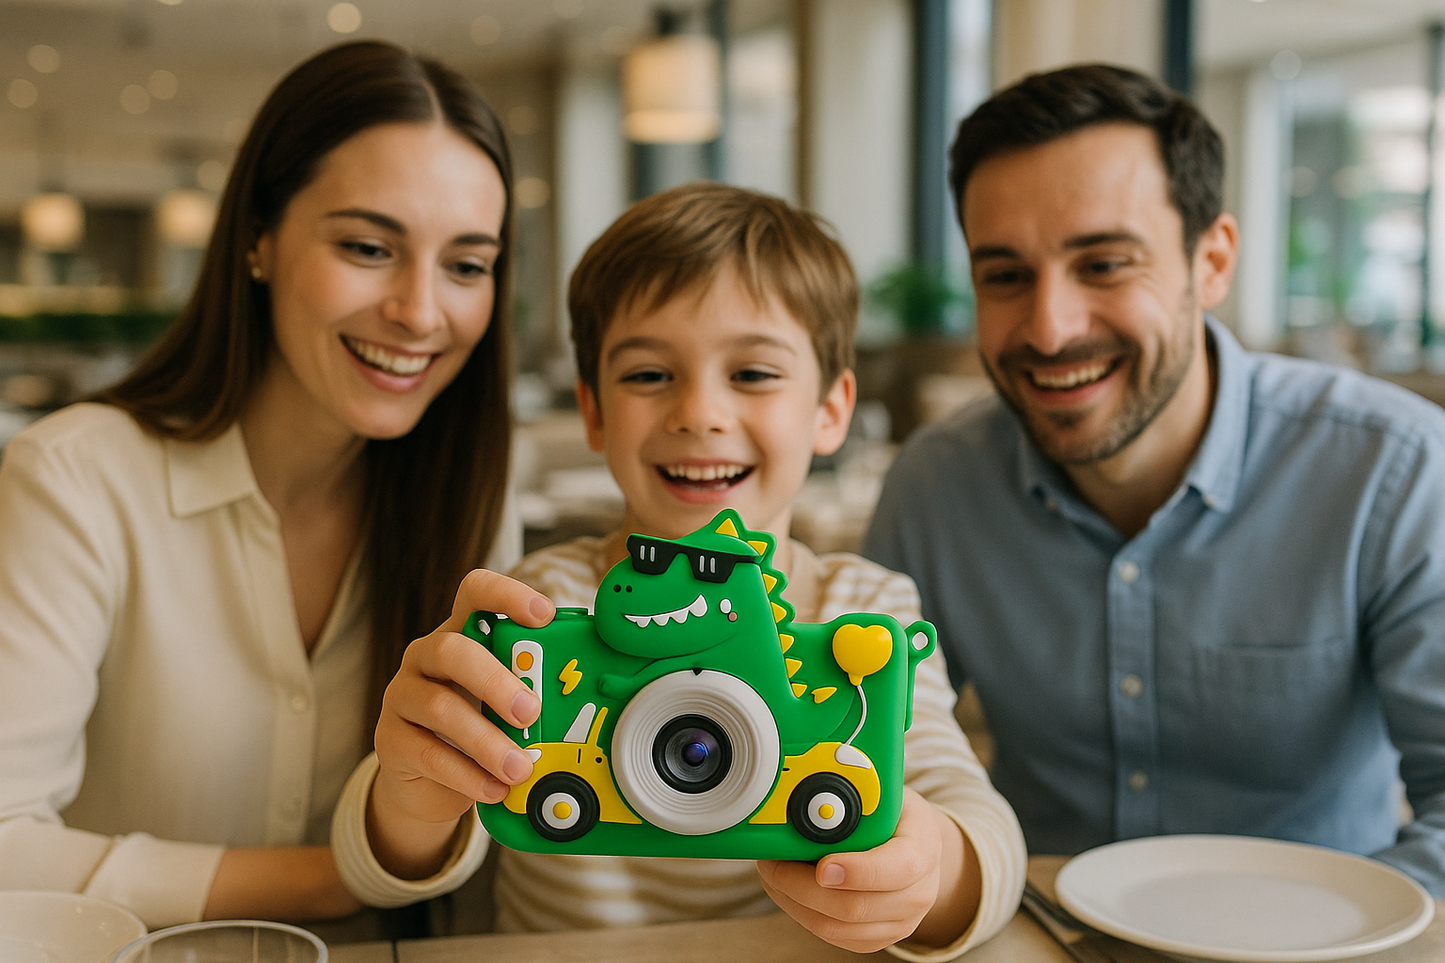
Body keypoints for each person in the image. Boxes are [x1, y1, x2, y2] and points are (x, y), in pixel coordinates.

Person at [329, 182, 1027, 958]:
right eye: (649, 375)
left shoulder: (863, 611)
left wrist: (931, 872)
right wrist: (417, 793)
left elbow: (977, 821)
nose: (698, 412)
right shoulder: (543, 603)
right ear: (592, 411)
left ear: (831, 410)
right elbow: (393, 867)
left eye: (754, 374)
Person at [863, 62, 1445, 895]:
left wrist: (1341, 935)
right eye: (1004, 275)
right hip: (1032, 937)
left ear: (1211, 262)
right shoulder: (933, 487)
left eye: (1102, 264)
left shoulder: (1396, 471)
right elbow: (879, 763)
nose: (1050, 327)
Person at [0, 40, 539, 937]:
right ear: (257, 237)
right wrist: (332, 881)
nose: (419, 311)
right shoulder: (75, 480)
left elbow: (477, 813)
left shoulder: (470, 493)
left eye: (467, 264)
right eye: (369, 246)